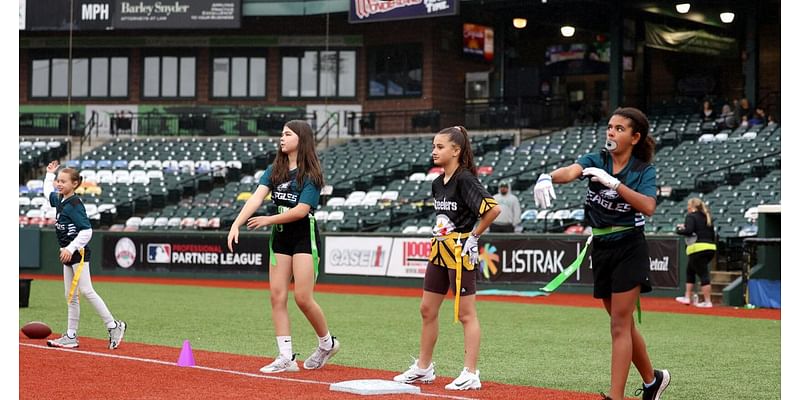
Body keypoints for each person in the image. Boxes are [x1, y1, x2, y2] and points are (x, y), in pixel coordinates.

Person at [533, 107, 670, 400]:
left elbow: (648, 207)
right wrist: (548, 176)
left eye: (619, 129)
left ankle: (615, 396)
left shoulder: (643, 170)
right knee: (624, 323)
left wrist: (615, 184)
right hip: (601, 246)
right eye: (610, 127)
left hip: (630, 246)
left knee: (619, 325)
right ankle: (652, 380)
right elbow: (571, 171)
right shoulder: (598, 158)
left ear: (635, 137)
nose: (611, 132)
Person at [393, 126, 501, 391]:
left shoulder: (465, 179)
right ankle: (423, 368)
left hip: (461, 251)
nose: (434, 151)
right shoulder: (436, 183)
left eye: (440, 147)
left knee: (466, 314)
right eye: (433, 146)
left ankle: (471, 372)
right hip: (440, 250)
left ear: (456, 150)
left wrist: (474, 237)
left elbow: (493, 209)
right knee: (427, 309)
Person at [227, 120, 338, 373]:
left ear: (302, 139)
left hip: (302, 236)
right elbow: (256, 197)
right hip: (280, 238)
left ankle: (327, 343)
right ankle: (286, 357)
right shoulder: (274, 169)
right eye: (282, 134)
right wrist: (236, 224)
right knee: (277, 296)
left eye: (288, 134)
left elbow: (301, 211)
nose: (282, 138)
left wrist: (269, 219)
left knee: (302, 297)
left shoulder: (310, 174)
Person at [42, 160, 127, 349]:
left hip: (77, 253)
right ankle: (71, 336)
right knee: (70, 295)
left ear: (75, 184)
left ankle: (114, 326)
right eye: (58, 181)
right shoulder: (60, 199)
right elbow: (47, 193)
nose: (59, 184)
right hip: (68, 254)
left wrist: (70, 248)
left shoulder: (75, 204)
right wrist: (49, 174)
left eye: (63, 181)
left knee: (87, 291)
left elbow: (87, 231)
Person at [674, 198, 717, 308]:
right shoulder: (707, 217)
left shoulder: (691, 216)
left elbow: (689, 231)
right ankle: (687, 297)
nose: (687, 207)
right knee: (690, 271)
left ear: (692, 206)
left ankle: (708, 301)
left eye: (688, 205)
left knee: (703, 273)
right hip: (710, 248)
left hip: (698, 248)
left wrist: (679, 230)